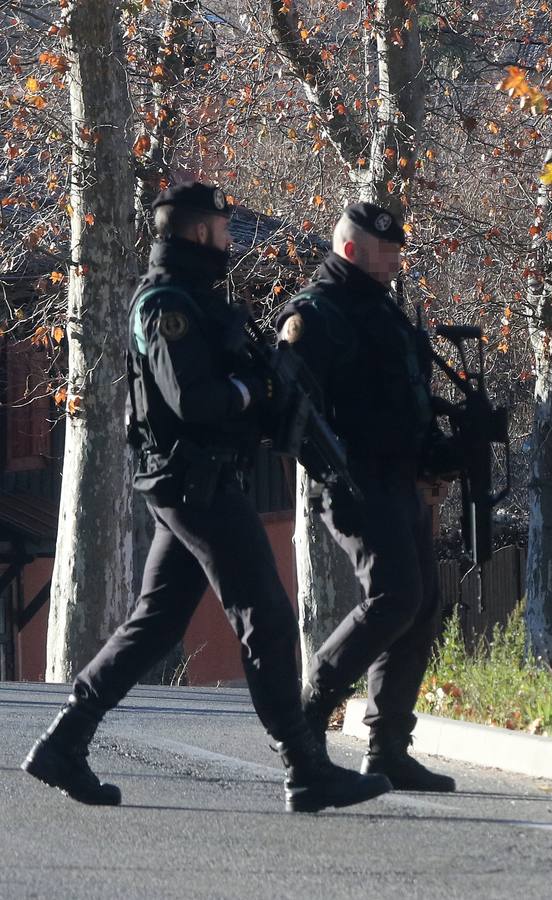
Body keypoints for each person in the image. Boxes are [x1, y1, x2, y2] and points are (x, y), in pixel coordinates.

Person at [22, 182, 391, 813]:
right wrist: (252, 390)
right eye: (222, 232)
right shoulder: (168, 306)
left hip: (203, 481)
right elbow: (190, 398)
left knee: (156, 623)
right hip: (194, 485)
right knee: (268, 617)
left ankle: (65, 740)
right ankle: (304, 767)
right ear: (199, 234)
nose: (227, 242)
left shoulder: (199, 301)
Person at [275, 202, 455, 792]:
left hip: (400, 480)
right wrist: (334, 467)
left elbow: (406, 396)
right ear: (352, 250)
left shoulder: (384, 313)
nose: (395, 262)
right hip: (354, 482)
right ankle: (307, 711)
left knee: (420, 602)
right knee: (394, 597)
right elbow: (291, 408)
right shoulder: (317, 313)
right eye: (386, 252)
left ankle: (387, 748)